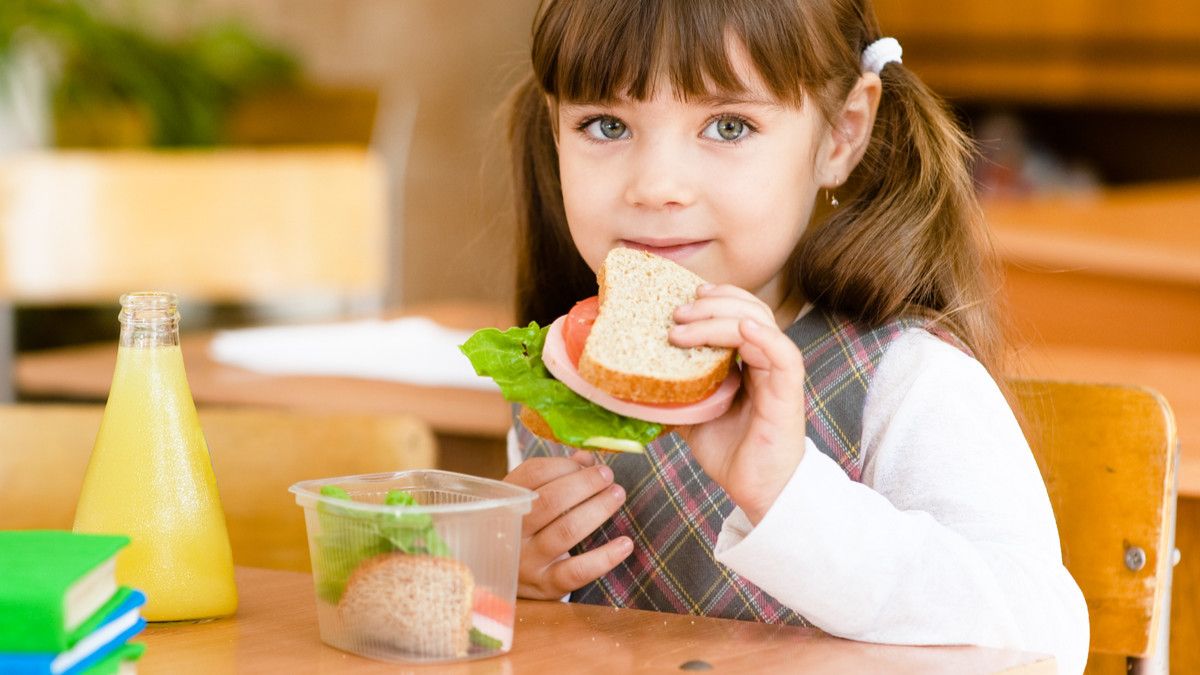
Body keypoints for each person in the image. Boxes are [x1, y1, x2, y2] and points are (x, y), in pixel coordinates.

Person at [500, 0, 1089, 672]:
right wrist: (515, 576)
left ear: (841, 134)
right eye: (605, 125)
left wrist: (789, 492)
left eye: (728, 125)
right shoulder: (564, 373)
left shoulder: (907, 380)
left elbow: (1045, 634)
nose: (655, 186)